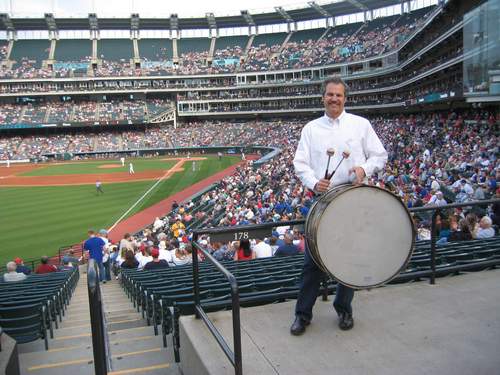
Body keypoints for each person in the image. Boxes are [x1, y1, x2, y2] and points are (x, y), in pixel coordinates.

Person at [291, 77, 387, 335]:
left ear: (345, 98)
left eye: (339, 95)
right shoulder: (311, 128)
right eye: (330, 94)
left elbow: (380, 155)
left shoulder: (361, 125)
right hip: (322, 199)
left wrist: (363, 168)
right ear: (323, 97)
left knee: (351, 259)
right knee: (312, 263)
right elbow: (299, 163)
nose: (334, 98)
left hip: (353, 198)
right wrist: (313, 183)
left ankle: (344, 309)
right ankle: (303, 315)